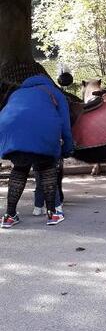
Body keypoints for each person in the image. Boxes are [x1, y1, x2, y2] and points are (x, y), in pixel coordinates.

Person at [0, 74, 73, 228]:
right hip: (44, 130)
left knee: (19, 170)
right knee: (47, 168)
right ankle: (52, 213)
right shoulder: (54, 92)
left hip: (11, 131)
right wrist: (67, 149)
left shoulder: (18, 92)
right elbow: (65, 125)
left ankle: (9, 216)